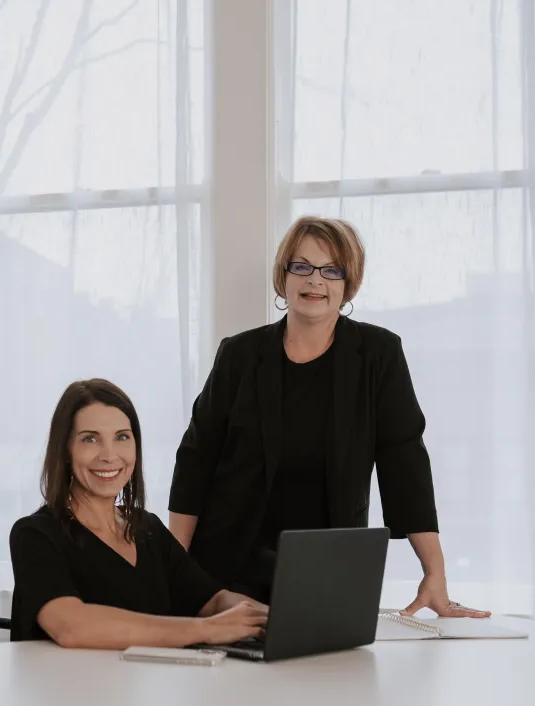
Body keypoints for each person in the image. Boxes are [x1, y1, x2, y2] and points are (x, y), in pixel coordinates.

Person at [168, 215, 490, 619]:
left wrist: (434, 572)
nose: (314, 281)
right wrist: (174, 569)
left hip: (330, 567)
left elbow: (404, 461)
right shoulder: (239, 355)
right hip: (229, 565)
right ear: (283, 276)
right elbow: (196, 459)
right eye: (300, 266)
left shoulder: (378, 354)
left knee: (333, 677)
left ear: (347, 282)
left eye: (331, 270)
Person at [9, 379, 268, 649]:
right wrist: (206, 630)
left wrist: (271, 616)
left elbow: (213, 601)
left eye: (122, 437)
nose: (109, 455)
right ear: (64, 449)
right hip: (69, 689)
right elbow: (71, 626)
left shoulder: (148, 529)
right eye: (90, 439)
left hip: (146, 688)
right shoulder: (35, 534)